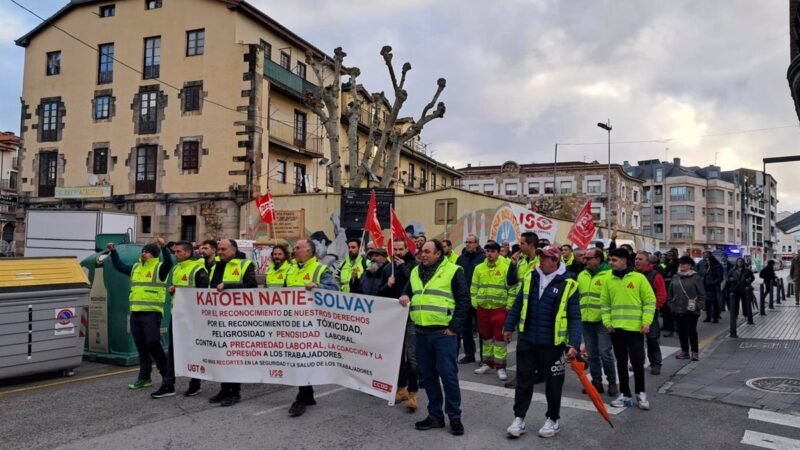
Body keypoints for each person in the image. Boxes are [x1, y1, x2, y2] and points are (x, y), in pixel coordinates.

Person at [503, 246, 581, 439]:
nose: (541, 261)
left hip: (553, 344)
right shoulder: (531, 277)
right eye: (540, 257)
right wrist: (508, 326)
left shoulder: (568, 283)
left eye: (545, 258)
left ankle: (553, 419)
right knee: (523, 381)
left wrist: (574, 343)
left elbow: (575, 317)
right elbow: (518, 303)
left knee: (553, 385)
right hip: (528, 340)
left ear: (555, 261)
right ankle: (519, 418)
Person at [400, 240, 469, 436]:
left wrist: (454, 327)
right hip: (421, 331)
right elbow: (408, 290)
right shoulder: (415, 271)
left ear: (439, 254)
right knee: (428, 376)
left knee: (448, 376)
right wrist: (405, 296)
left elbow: (464, 299)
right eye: (422, 251)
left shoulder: (454, 271)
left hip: (443, 333)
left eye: (428, 252)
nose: (423, 255)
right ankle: (435, 415)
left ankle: (454, 417)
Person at [108, 238, 174, 391]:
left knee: (153, 343)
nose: (144, 253)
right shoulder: (136, 267)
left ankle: (166, 375)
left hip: (152, 313)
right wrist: (113, 252)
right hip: (136, 313)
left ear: (155, 255)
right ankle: (144, 378)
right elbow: (119, 266)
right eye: (143, 251)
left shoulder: (159, 268)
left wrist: (164, 247)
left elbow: (169, 263)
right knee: (141, 347)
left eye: (148, 252)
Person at [285, 238, 338, 417]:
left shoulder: (320, 269)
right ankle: (307, 394)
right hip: (292, 320)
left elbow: (334, 291)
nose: (295, 250)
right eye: (295, 247)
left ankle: (303, 396)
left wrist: (318, 286)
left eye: (299, 248)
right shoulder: (291, 268)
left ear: (309, 251)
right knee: (297, 357)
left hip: (311, 323)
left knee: (304, 357)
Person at [601, 248, 656, 410]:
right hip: (616, 329)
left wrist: (646, 322)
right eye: (610, 260)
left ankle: (641, 393)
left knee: (638, 363)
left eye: (614, 260)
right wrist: (607, 322)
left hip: (636, 330)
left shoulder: (638, 278)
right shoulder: (608, 280)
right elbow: (605, 303)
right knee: (621, 364)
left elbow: (649, 301)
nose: (611, 263)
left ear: (624, 261)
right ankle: (625, 394)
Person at [207, 239, 257, 406]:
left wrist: (228, 286)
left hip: (238, 319)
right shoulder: (218, 265)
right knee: (222, 355)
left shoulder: (245, 264)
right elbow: (213, 285)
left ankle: (234, 392)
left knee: (234, 357)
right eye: (218, 249)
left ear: (234, 250)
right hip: (221, 317)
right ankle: (224, 389)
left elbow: (251, 286)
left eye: (223, 249)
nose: (220, 252)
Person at [157, 241, 209, 398]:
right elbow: (178, 288)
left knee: (194, 350)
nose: (176, 254)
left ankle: (195, 383)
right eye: (174, 252)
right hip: (177, 315)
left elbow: (203, 296)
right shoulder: (177, 268)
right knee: (173, 351)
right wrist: (172, 290)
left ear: (188, 253)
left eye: (179, 252)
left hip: (194, 318)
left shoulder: (199, 270)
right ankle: (168, 384)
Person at [577, 247, 617, 396]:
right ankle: (596, 382)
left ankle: (612, 383)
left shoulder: (610, 275)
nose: (585, 260)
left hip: (603, 321)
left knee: (605, 353)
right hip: (586, 320)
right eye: (585, 258)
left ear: (598, 260)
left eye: (588, 258)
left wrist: (610, 320)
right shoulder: (582, 275)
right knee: (592, 354)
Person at [471, 241, 513, 381]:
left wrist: (508, 306)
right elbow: (474, 287)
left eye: (492, 251)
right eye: (487, 251)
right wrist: (475, 303)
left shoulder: (506, 267)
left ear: (499, 252)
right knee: (486, 337)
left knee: (500, 339)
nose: (489, 254)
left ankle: (500, 367)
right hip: (483, 308)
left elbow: (512, 288)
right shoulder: (479, 268)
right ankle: (487, 363)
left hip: (500, 308)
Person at [389, 238, 420, 412]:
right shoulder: (390, 266)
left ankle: (413, 392)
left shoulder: (415, 265)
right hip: (395, 317)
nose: (398, 253)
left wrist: (402, 267)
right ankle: (401, 389)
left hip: (411, 317)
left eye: (401, 249)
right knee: (398, 357)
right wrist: (387, 283)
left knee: (412, 358)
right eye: (396, 249)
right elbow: (382, 291)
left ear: (407, 249)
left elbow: (415, 285)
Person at [634, 252, 667, 375]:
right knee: (637, 341)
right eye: (636, 259)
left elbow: (661, 294)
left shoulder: (655, 275)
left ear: (647, 262)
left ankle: (656, 364)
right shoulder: (632, 275)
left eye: (640, 259)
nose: (637, 261)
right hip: (635, 313)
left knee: (652, 339)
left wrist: (654, 308)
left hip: (650, 313)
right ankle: (638, 362)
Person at [455, 234, 485, 364]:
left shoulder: (483, 258)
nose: (468, 244)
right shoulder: (461, 258)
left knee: (482, 329)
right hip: (465, 298)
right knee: (465, 328)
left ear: (477, 243)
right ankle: (469, 354)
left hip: (478, 298)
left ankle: (485, 357)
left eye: (471, 242)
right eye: (466, 242)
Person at [669, 256, 705, 360]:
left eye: (684, 264)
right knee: (681, 331)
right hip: (677, 308)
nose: (682, 265)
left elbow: (702, 294)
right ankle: (684, 351)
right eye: (680, 263)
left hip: (692, 309)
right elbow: (670, 292)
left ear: (690, 265)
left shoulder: (696, 278)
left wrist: (698, 306)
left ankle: (695, 351)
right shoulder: (676, 277)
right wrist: (671, 304)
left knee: (691, 331)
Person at [727, 258, 755, 336]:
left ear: (743, 263)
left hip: (744, 288)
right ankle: (735, 315)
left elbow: (752, 277)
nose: (739, 263)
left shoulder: (747, 271)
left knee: (745, 303)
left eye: (741, 262)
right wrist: (731, 279)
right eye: (738, 262)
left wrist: (748, 280)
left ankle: (746, 315)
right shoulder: (732, 270)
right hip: (735, 289)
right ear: (736, 263)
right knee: (735, 303)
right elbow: (728, 278)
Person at [698, 252, 724, 323]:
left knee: (715, 303)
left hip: (714, 288)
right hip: (706, 287)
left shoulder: (717, 267)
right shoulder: (707, 267)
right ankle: (708, 317)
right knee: (707, 303)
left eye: (708, 260)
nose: (706, 262)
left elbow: (720, 278)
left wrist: (713, 283)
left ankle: (715, 317)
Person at [659, 248, 680, 337]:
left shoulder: (677, 262)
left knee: (673, 307)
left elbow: (673, 271)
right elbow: (663, 270)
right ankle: (667, 325)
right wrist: (663, 262)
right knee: (665, 308)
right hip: (666, 283)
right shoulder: (666, 262)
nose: (669, 257)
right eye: (668, 255)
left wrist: (668, 265)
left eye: (671, 255)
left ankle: (675, 328)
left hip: (674, 284)